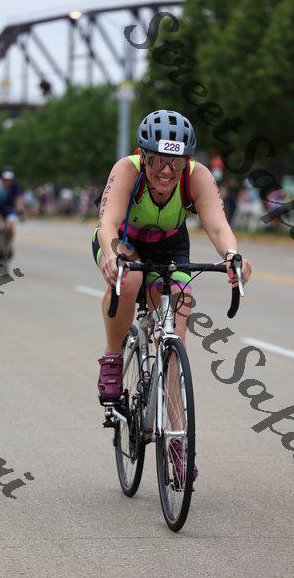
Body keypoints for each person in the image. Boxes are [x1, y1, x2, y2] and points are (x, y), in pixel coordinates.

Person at [92, 110, 252, 480]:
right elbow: (107, 223)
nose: (166, 171)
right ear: (143, 155)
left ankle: (177, 441)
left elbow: (217, 226)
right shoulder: (127, 170)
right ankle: (113, 357)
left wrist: (232, 255)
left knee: (177, 327)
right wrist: (113, 255)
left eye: (175, 163)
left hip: (170, 247)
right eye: (157, 161)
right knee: (130, 280)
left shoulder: (197, 177)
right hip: (124, 241)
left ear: (186, 161)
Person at [0, 167, 24, 258]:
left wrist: (20, 208)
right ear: (1, 178)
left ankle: (9, 247)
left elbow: (19, 198)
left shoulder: (15, 186)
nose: (7, 181)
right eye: (5, 179)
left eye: (9, 179)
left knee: (11, 226)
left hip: (10, 209)